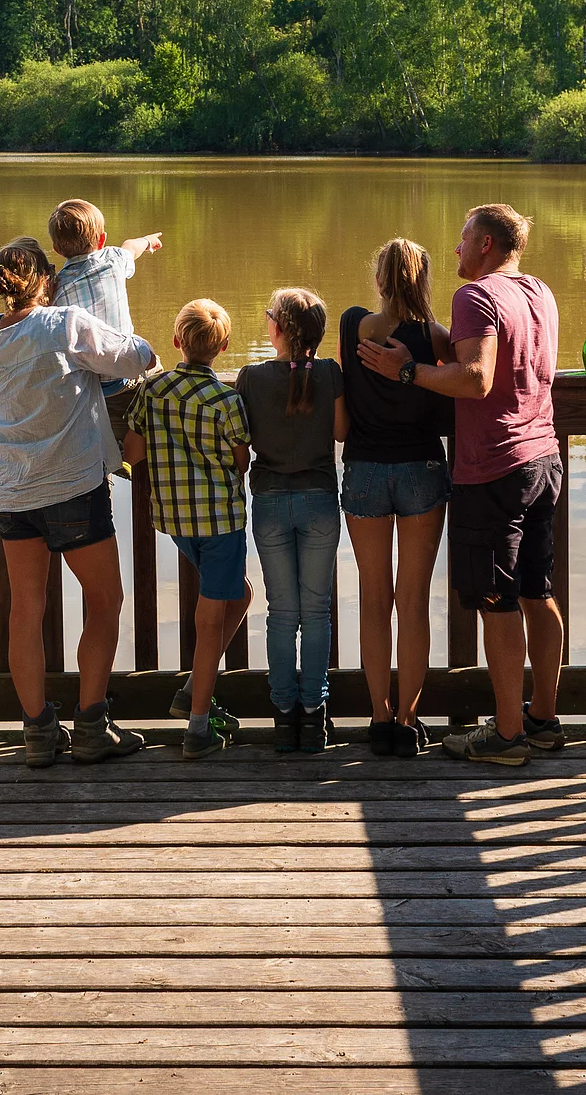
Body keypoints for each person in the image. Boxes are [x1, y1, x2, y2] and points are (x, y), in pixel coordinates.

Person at [360, 205, 565, 766]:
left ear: (486, 244)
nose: (455, 251)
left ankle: (505, 736)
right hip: (543, 457)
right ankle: (542, 719)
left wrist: (408, 371)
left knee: (496, 600)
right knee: (537, 592)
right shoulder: (539, 292)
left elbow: (475, 379)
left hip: (494, 467)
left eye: (463, 240)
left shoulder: (476, 298)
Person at [0, 236, 157, 768]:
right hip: (72, 487)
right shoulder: (62, 323)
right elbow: (135, 357)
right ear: (46, 280)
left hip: (11, 491)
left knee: (25, 612)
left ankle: (37, 732)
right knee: (105, 602)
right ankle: (92, 725)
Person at [339, 239, 455, 757]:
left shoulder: (353, 325)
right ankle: (409, 719)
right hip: (422, 471)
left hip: (364, 468)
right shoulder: (436, 338)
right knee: (412, 601)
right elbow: (453, 401)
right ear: (424, 280)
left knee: (373, 598)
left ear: (381, 279)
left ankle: (379, 715)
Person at [123, 299, 253, 761]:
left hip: (176, 519)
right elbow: (241, 462)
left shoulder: (153, 390)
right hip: (220, 520)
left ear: (177, 341)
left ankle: (193, 689)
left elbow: (132, 451)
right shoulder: (227, 399)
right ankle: (197, 726)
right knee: (211, 615)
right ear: (223, 348)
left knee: (239, 595)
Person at [236, 287, 347, 753]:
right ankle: (314, 715)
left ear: (276, 329)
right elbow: (341, 431)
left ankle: (284, 719)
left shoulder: (250, 377)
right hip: (320, 498)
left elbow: (244, 439)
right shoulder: (330, 373)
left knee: (281, 614)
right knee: (316, 613)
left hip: (270, 503)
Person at [48, 197, 163, 396]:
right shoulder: (113, 260)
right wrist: (147, 241)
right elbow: (130, 247)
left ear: (57, 250)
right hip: (123, 378)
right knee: (142, 347)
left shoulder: (56, 287)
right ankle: (156, 373)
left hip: (84, 383)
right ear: (102, 239)